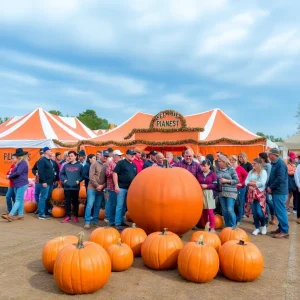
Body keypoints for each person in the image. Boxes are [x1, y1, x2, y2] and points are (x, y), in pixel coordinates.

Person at [267, 148, 289, 239]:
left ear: (274, 155)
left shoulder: (281, 164)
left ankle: (284, 231)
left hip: (280, 191)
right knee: (278, 211)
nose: (268, 156)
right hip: (276, 190)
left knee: (281, 211)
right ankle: (281, 228)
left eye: (269, 154)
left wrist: (271, 187)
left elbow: (280, 178)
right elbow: (273, 177)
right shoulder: (275, 163)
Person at [1, 148, 29, 222]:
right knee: (20, 199)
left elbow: (18, 173)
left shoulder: (22, 163)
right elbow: (16, 173)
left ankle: (10, 215)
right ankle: (20, 214)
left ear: (18, 157)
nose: (13, 159)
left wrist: (9, 176)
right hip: (19, 184)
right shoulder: (20, 163)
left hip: (21, 184)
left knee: (18, 200)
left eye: (14, 158)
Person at [84, 150, 109, 229]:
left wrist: (102, 186)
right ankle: (87, 222)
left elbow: (107, 178)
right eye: (104, 156)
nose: (105, 157)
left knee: (97, 205)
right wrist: (97, 185)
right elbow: (91, 176)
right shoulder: (94, 163)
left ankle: (95, 221)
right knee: (90, 204)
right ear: (100, 155)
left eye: (107, 156)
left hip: (101, 189)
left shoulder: (107, 165)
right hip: (92, 188)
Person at [113, 149, 137, 230]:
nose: (132, 155)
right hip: (121, 188)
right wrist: (116, 185)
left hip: (130, 189)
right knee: (119, 205)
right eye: (130, 154)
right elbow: (115, 173)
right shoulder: (121, 163)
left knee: (125, 207)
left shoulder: (134, 165)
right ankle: (117, 223)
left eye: (133, 154)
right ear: (126, 155)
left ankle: (121, 221)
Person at [245, 158, 268, 236]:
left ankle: (263, 225)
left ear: (259, 164)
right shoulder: (250, 172)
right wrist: (250, 183)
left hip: (259, 194)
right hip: (251, 194)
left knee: (259, 211)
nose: (253, 165)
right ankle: (257, 227)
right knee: (254, 212)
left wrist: (254, 183)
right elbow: (246, 181)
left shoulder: (263, 172)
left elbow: (262, 183)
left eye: (254, 163)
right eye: (252, 163)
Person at [216, 155, 239, 227]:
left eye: (219, 161)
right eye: (218, 161)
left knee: (230, 210)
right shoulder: (218, 170)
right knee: (224, 211)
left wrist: (227, 181)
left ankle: (233, 227)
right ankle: (227, 226)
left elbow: (237, 180)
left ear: (224, 161)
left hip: (231, 192)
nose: (218, 163)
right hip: (221, 192)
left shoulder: (231, 169)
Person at [60, 151, 83, 223]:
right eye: (69, 156)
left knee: (75, 202)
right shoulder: (66, 165)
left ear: (75, 156)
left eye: (72, 156)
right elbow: (62, 174)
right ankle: (68, 216)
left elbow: (83, 175)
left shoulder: (80, 166)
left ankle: (76, 216)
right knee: (67, 202)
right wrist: (64, 180)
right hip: (67, 187)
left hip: (75, 187)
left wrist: (79, 180)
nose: (70, 157)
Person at [196, 159, 217, 232]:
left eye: (205, 166)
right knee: (204, 210)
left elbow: (215, 185)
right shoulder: (198, 174)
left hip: (210, 193)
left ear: (209, 166)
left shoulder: (213, 174)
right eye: (202, 166)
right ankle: (206, 226)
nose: (203, 168)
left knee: (210, 210)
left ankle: (212, 227)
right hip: (201, 193)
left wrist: (207, 186)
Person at [37, 147, 55, 220]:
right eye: (50, 150)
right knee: (43, 197)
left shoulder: (49, 160)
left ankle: (45, 212)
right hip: (45, 182)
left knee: (47, 198)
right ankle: (41, 214)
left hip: (50, 182)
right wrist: (43, 181)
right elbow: (40, 172)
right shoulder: (42, 160)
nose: (51, 152)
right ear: (46, 152)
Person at [229, 155, 248, 226]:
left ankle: (238, 219)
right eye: (230, 160)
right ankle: (234, 219)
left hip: (241, 188)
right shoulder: (229, 168)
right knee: (233, 204)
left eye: (233, 160)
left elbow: (246, 175)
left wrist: (242, 183)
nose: (231, 161)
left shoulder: (239, 168)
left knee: (239, 204)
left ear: (236, 160)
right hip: (232, 188)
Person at [106, 150, 123, 226]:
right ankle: (111, 221)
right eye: (119, 156)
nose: (120, 157)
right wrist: (116, 172)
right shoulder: (111, 163)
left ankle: (119, 220)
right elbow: (108, 173)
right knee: (112, 204)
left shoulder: (120, 163)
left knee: (119, 205)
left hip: (119, 187)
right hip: (112, 187)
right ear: (114, 156)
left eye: (120, 156)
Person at [259, 152, 276, 225]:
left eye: (259, 157)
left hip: (266, 186)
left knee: (268, 201)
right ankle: (265, 218)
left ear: (263, 158)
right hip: (260, 186)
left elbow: (268, 176)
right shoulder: (260, 165)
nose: (258, 159)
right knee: (263, 202)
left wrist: (264, 184)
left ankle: (273, 216)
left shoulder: (268, 165)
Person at [32, 148, 44, 213]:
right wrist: (35, 173)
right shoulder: (37, 162)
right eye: (41, 154)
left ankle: (42, 209)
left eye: (43, 153)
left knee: (43, 196)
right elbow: (33, 169)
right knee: (36, 194)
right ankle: (39, 207)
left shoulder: (48, 162)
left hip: (44, 181)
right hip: (38, 181)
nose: (42, 155)